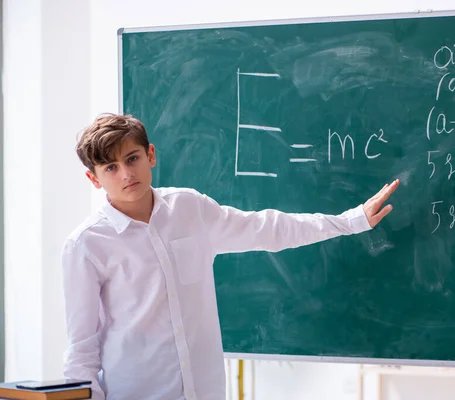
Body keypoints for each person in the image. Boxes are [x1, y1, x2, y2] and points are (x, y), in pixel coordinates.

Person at [61, 113, 400, 400]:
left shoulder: (189, 208)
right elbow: (81, 349)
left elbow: (269, 228)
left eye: (132, 158)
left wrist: (350, 221)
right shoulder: (87, 245)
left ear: (150, 154)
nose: (125, 174)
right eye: (110, 167)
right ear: (94, 178)